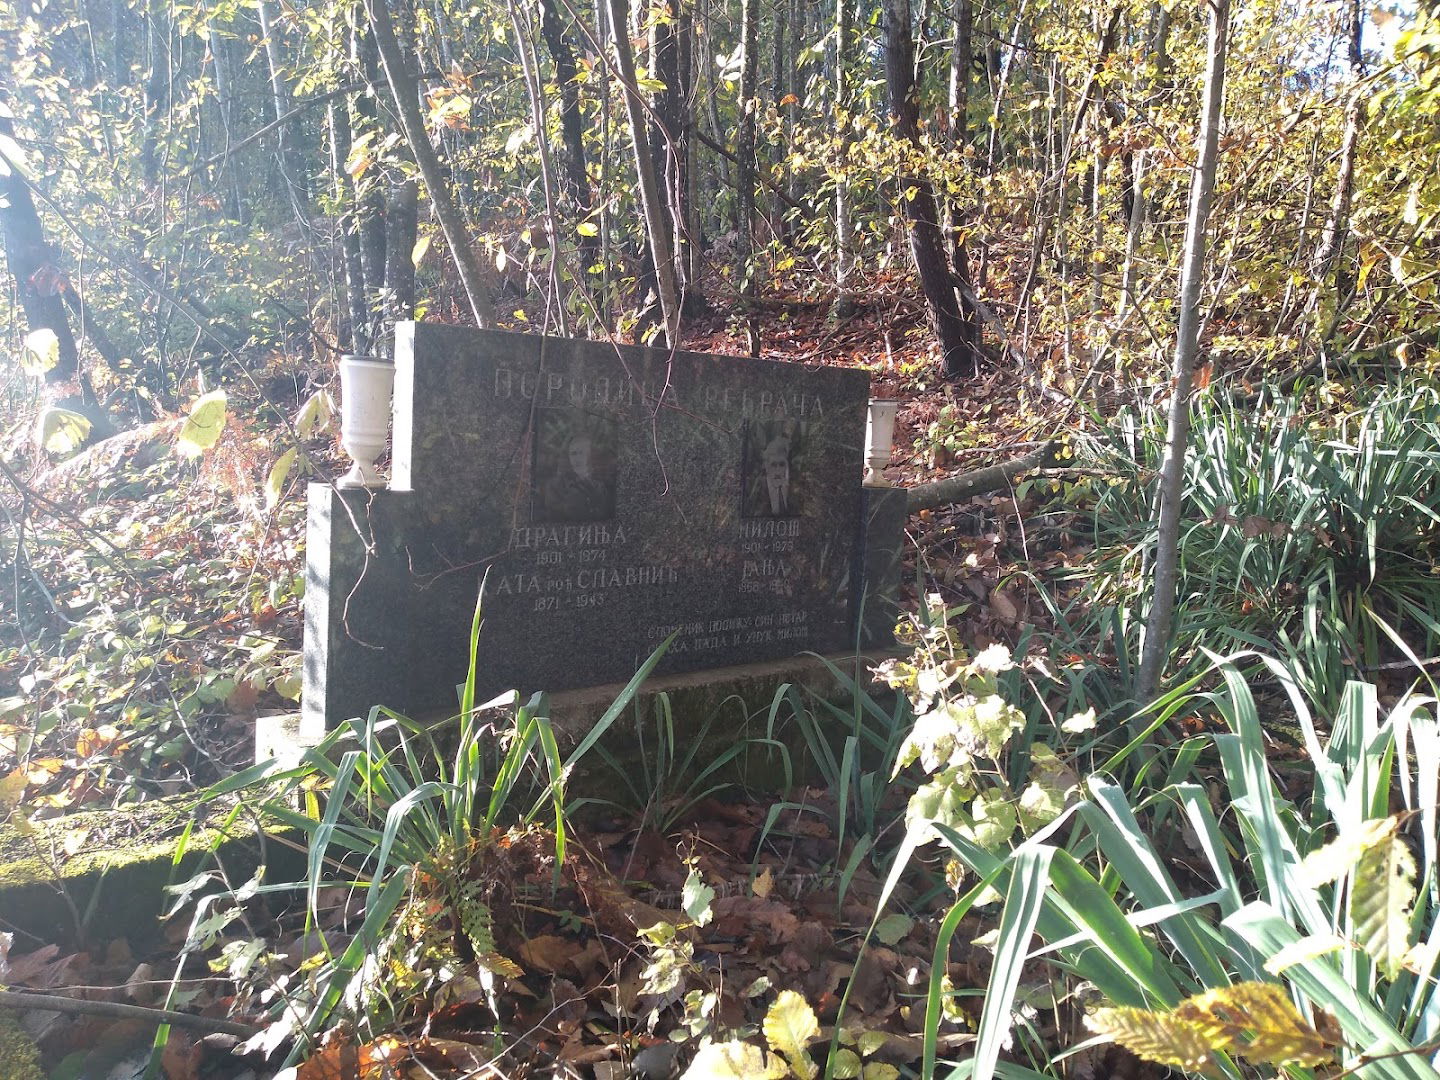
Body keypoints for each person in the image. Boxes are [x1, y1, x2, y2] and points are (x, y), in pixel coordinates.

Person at [539, 432, 614, 521]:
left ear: (590, 455)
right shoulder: (554, 485)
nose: (577, 458)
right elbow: (556, 515)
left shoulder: (602, 485)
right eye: (573, 454)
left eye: (581, 453)